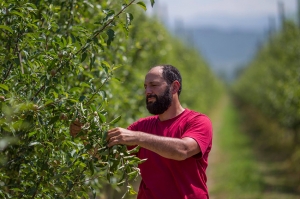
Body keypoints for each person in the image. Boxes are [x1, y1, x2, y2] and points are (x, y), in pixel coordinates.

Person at [71, 65, 213, 199]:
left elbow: (183, 150)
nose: (147, 91)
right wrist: (84, 135)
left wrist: (137, 137)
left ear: (174, 87)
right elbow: (105, 158)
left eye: (154, 85)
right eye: (145, 86)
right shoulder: (141, 126)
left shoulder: (198, 121)